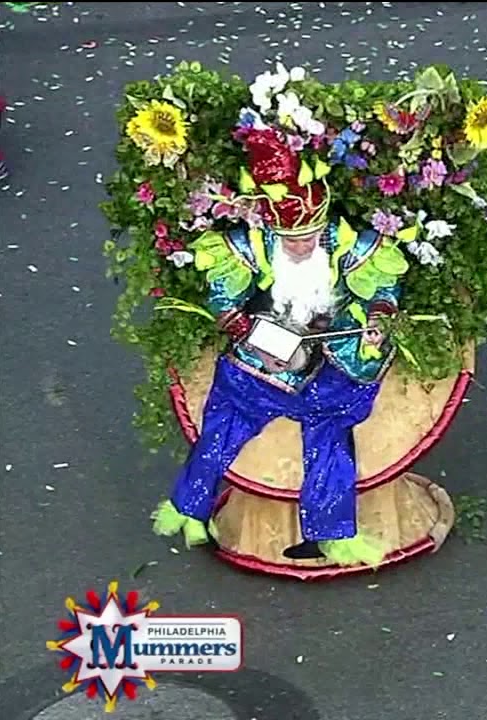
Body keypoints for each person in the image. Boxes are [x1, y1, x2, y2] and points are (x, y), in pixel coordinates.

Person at [150, 127, 405, 567]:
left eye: (310, 237)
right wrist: (249, 333)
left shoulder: (347, 244)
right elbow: (224, 300)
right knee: (225, 421)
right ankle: (190, 510)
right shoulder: (250, 246)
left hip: (335, 361)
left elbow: (383, 287)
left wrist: (378, 320)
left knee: (331, 433)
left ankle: (331, 535)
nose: (302, 246)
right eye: (292, 240)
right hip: (263, 358)